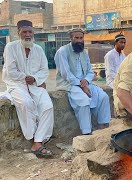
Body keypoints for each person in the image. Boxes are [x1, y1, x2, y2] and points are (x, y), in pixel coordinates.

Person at [2, 20, 54, 157]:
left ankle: (38, 141)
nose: (27, 34)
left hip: (35, 85)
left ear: (33, 33)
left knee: (47, 106)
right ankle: (33, 139)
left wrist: (36, 79)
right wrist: (26, 78)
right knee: (26, 103)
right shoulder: (10, 47)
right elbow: (11, 71)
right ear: (18, 32)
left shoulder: (39, 49)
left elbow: (44, 70)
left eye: (30, 32)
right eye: (24, 31)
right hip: (16, 84)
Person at [54, 28, 111, 135]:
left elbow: (90, 72)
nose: (79, 40)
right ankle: (86, 132)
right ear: (71, 38)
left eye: (81, 38)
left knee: (103, 97)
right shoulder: (62, 51)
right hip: (70, 84)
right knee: (84, 101)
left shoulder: (84, 52)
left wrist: (85, 81)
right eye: (76, 38)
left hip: (85, 83)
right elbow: (66, 74)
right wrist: (82, 85)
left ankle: (102, 126)